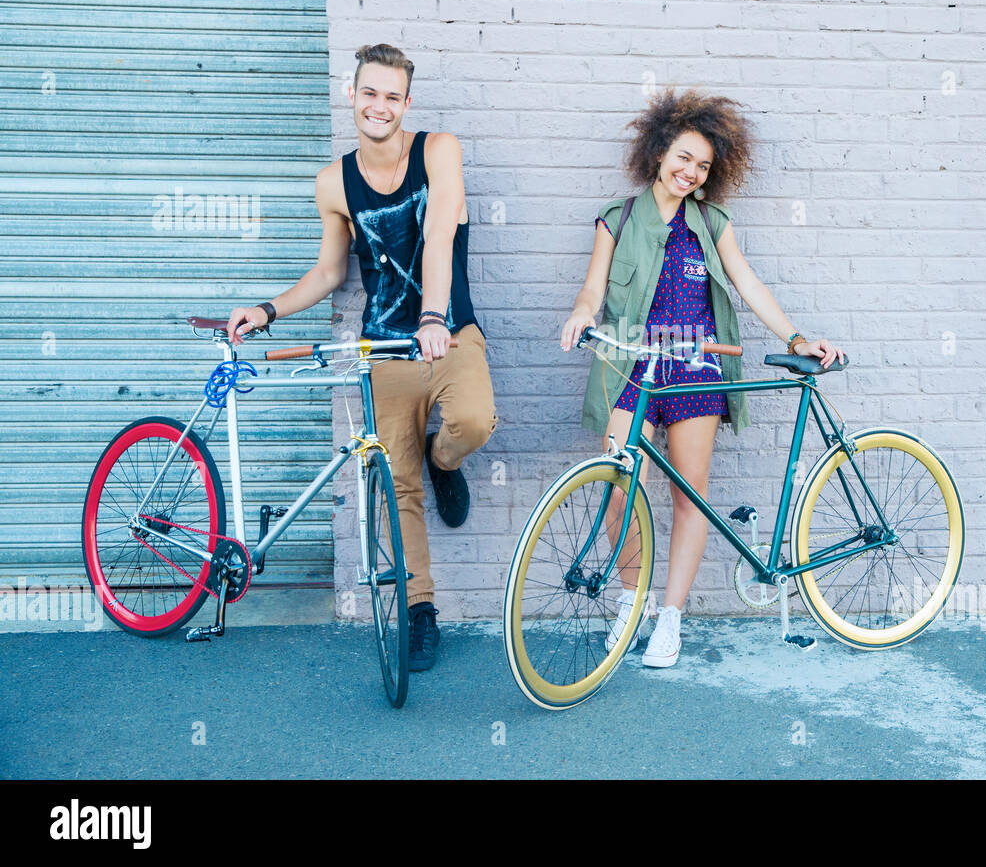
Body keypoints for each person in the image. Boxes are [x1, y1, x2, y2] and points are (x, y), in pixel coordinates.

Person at [225, 44, 496, 673]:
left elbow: (439, 234)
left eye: (392, 96)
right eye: (368, 93)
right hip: (382, 346)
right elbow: (329, 271)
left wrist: (433, 315)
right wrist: (268, 310)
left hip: (449, 330)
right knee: (397, 486)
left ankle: (444, 459)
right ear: (352, 95)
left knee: (474, 422)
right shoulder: (332, 182)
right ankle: (421, 610)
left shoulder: (439, 150)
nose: (380, 106)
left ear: (407, 103)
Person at [559, 89, 844, 668]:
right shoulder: (616, 219)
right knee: (618, 490)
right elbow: (594, 286)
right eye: (684, 157)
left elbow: (748, 284)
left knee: (688, 497)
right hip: (631, 367)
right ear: (660, 151)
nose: (691, 172)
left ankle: (671, 619)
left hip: (696, 369)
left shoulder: (711, 223)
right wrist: (582, 312)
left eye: (703, 166)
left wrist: (795, 337)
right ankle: (629, 602)